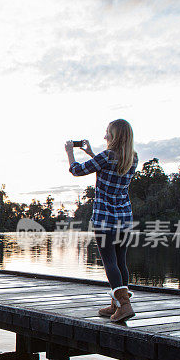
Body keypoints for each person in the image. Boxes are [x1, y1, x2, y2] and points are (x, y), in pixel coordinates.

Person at [66, 119, 139, 323]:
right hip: (124, 218)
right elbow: (106, 166)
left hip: (105, 219)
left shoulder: (107, 156)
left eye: (107, 132)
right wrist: (90, 152)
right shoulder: (132, 157)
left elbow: (77, 170)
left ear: (114, 136)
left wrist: (70, 152)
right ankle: (117, 305)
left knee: (109, 262)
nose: (105, 136)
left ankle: (124, 305)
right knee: (120, 261)